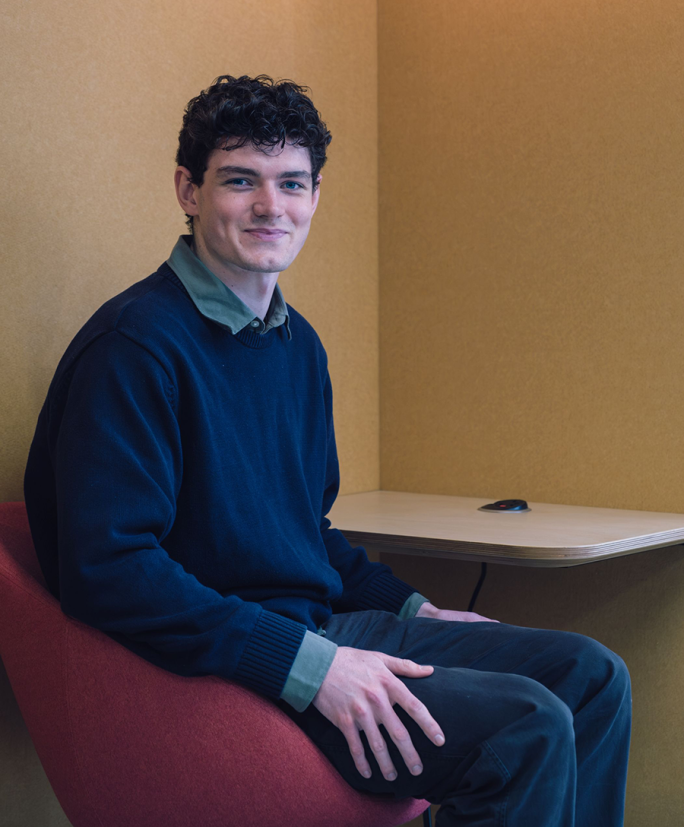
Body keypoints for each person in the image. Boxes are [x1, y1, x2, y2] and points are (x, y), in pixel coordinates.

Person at [24, 74, 631, 826]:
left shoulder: (296, 345)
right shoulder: (134, 348)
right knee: (526, 725)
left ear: (315, 196)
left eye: (293, 184)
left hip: (320, 629)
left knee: (594, 676)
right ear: (188, 189)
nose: (271, 207)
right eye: (241, 180)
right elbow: (108, 573)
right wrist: (310, 667)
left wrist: (421, 610)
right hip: (236, 663)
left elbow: (306, 535)